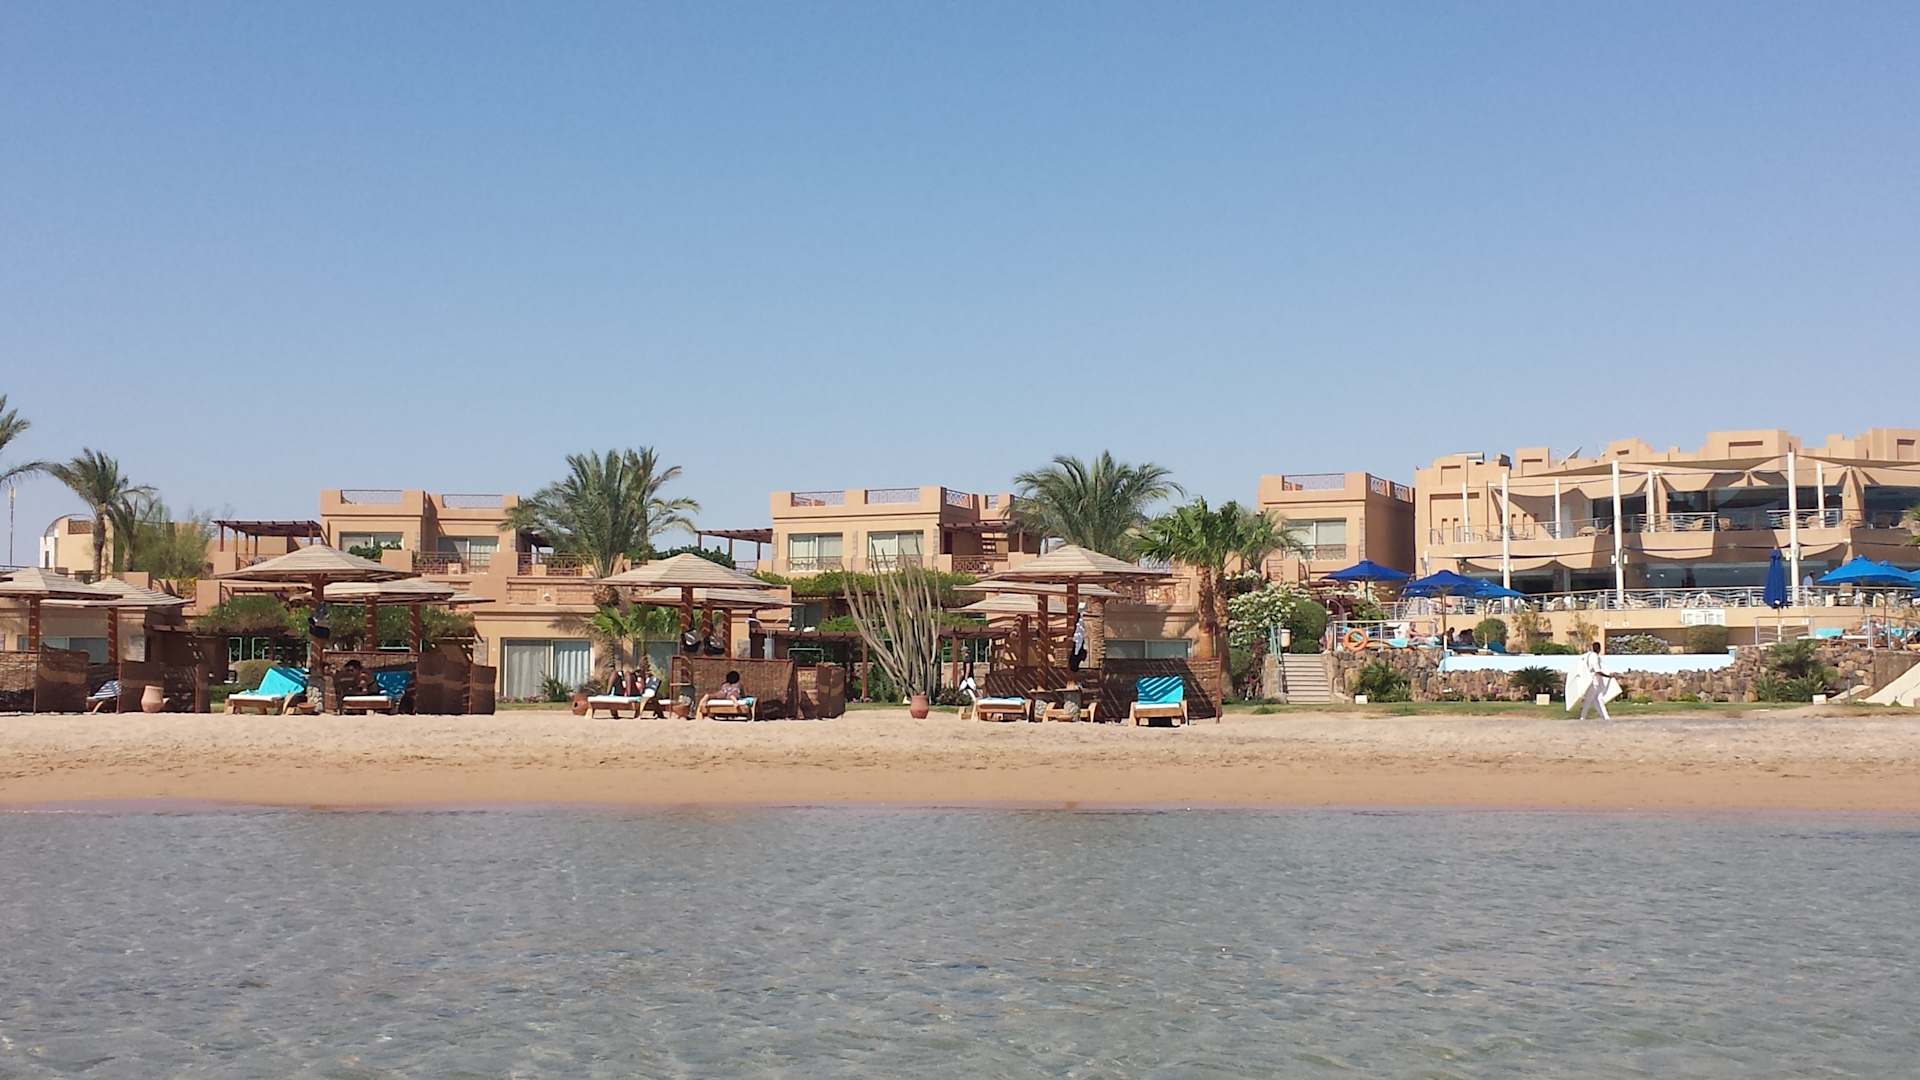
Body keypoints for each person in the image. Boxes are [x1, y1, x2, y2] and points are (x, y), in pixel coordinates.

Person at [1577, 641, 1613, 721]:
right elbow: (1597, 671)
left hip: (1593, 681)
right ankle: (1583, 717)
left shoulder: (1588, 656)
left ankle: (1605, 716)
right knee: (1591, 700)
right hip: (1593, 682)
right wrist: (1608, 676)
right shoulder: (1594, 657)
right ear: (1599, 649)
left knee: (1597, 699)